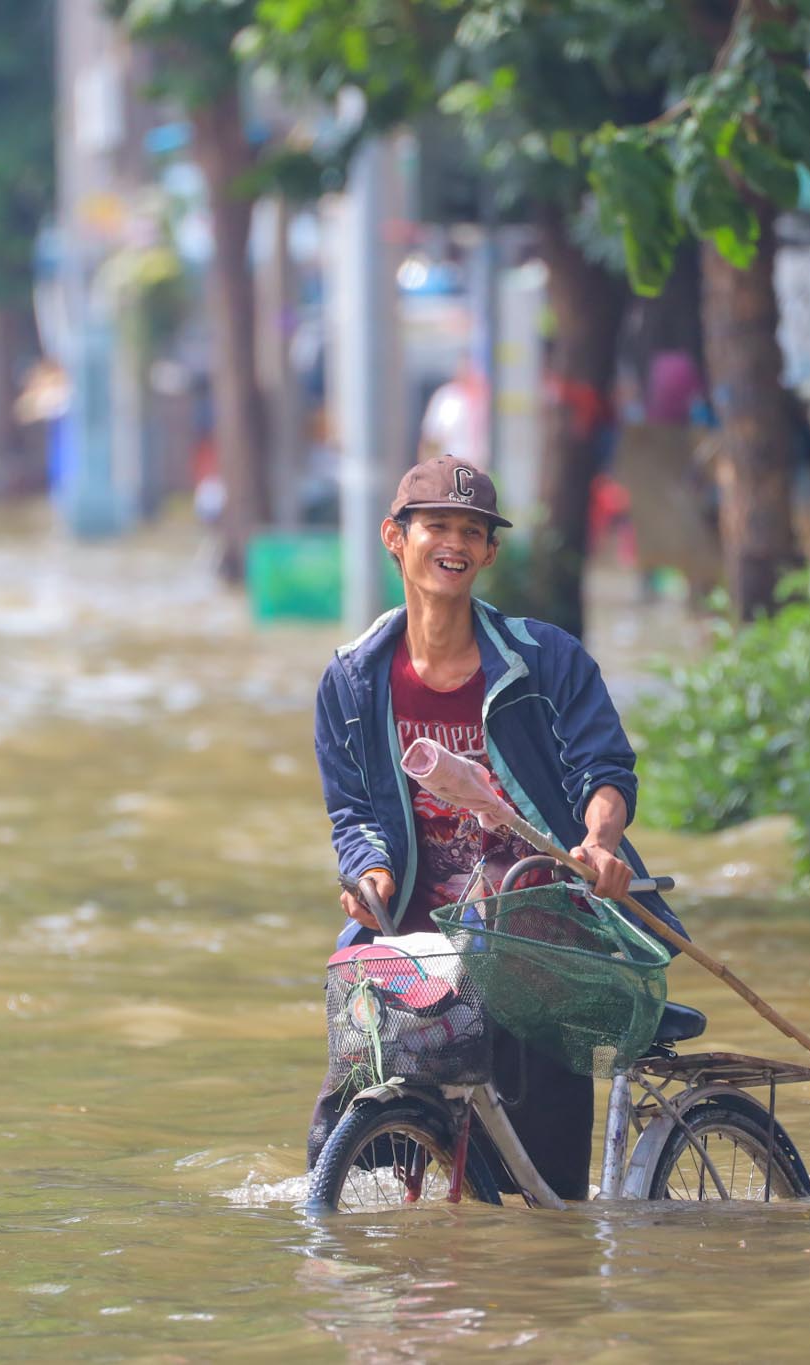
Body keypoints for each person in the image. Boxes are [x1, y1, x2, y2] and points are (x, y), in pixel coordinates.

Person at [307, 455, 683, 1197]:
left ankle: (548, 1245)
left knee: (540, 1128)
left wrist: (600, 843)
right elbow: (351, 810)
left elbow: (603, 771)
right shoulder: (351, 680)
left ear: (488, 552)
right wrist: (369, 874)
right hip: (416, 927)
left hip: (538, 915)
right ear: (395, 537)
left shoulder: (547, 663)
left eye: (470, 531)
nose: (453, 542)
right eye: (436, 526)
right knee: (343, 1091)